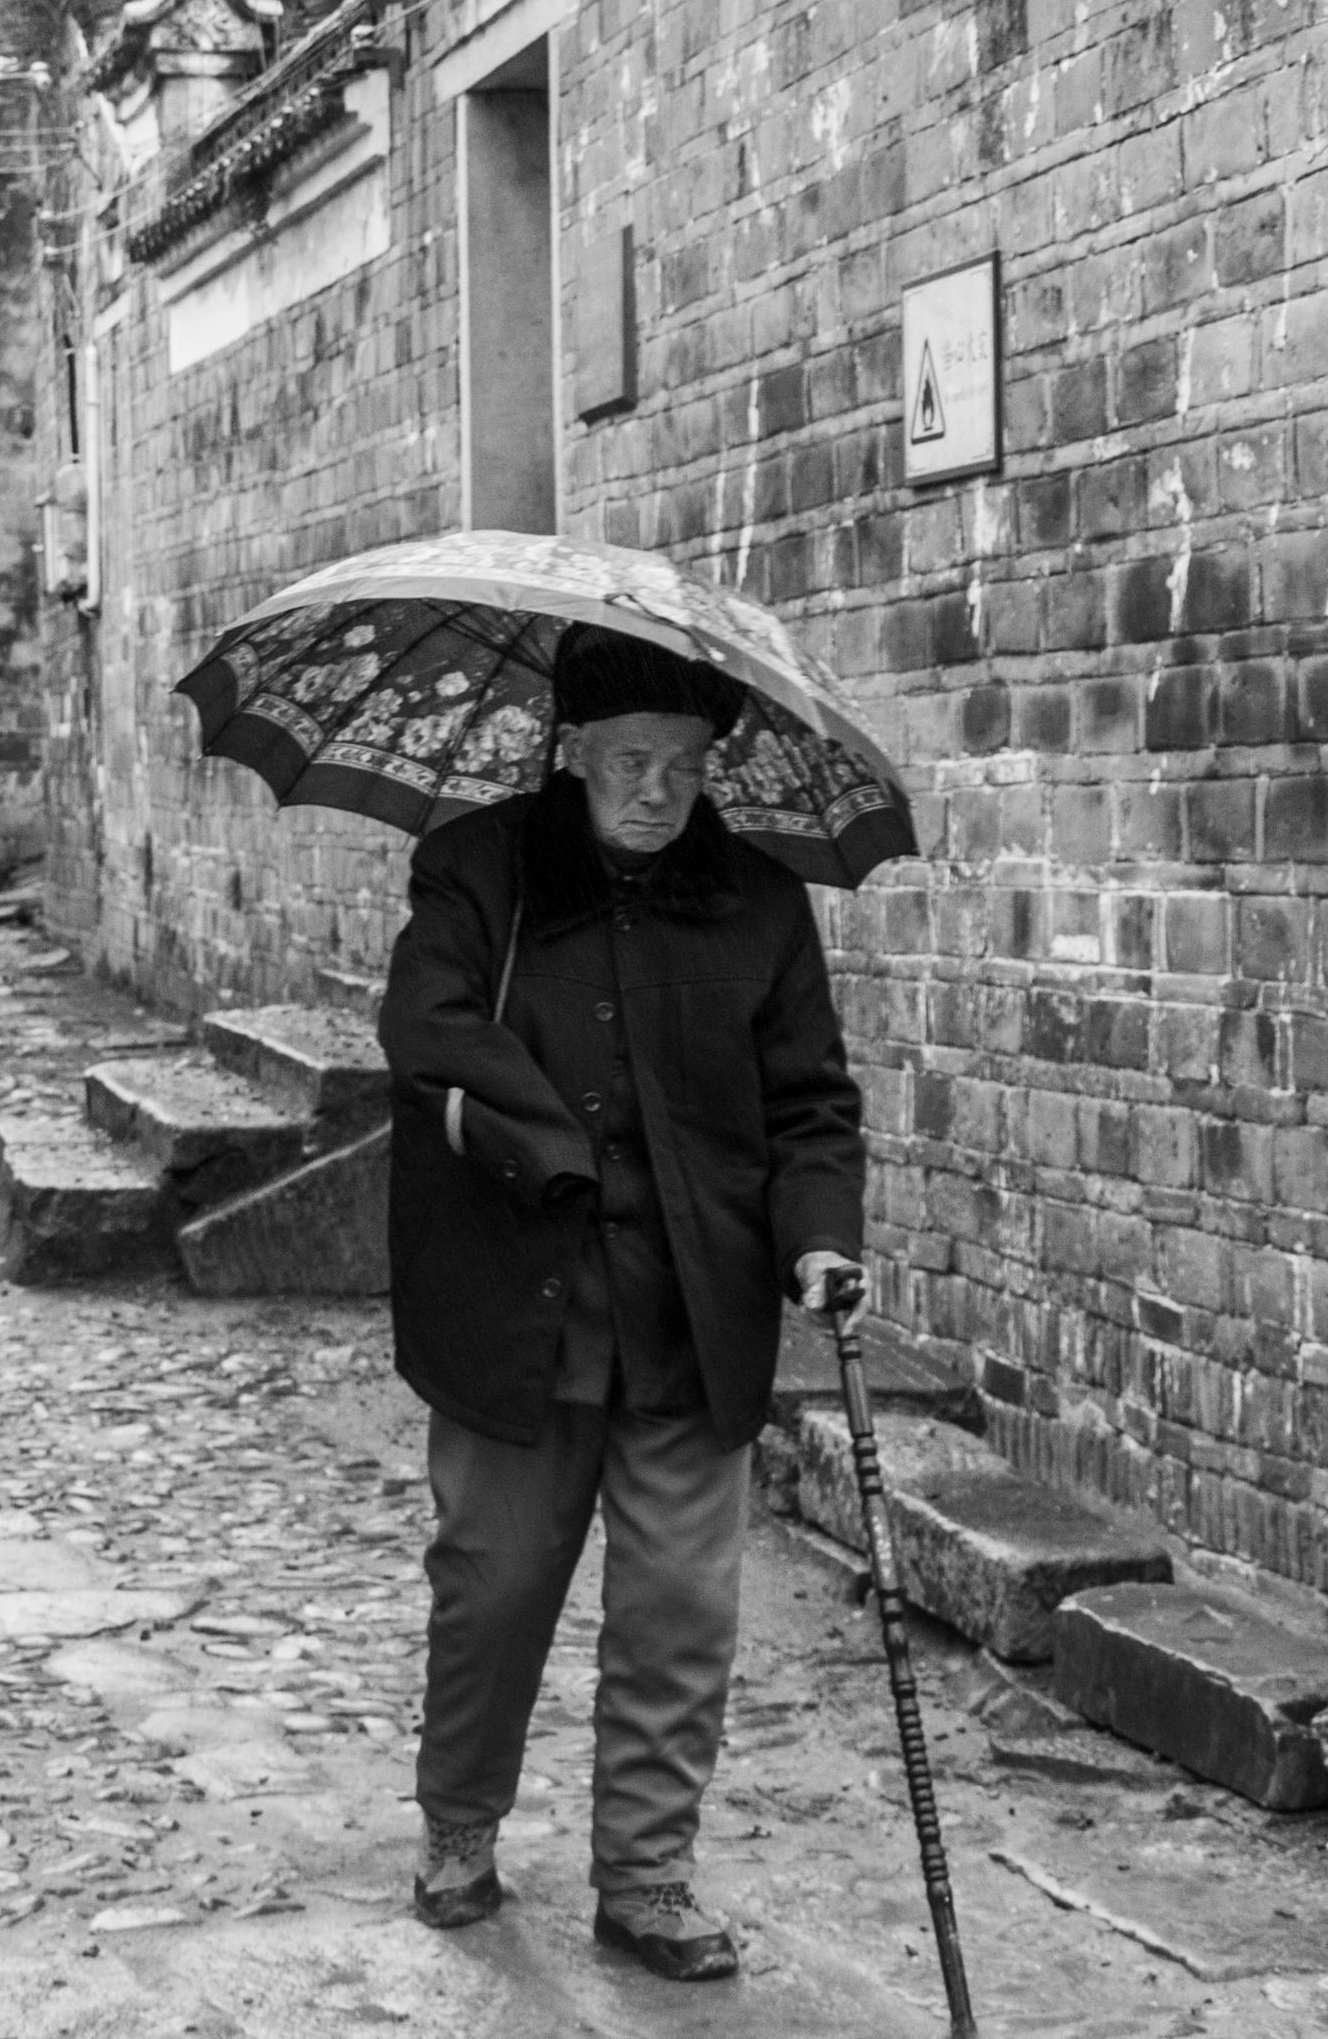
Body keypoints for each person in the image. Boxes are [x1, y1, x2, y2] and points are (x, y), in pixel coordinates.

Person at [375, 622, 866, 1982]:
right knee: (496, 1581)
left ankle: (646, 1878)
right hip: (515, 1301)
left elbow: (811, 1101)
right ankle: (461, 1827)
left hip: (691, 1312)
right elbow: (427, 1030)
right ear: (573, 750)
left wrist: (820, 1236)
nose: (661, 789)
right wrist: (552, 1152)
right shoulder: (481, 872)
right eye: (634, 759)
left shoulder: (760, 902)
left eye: (690, 764)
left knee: (680, 1609)